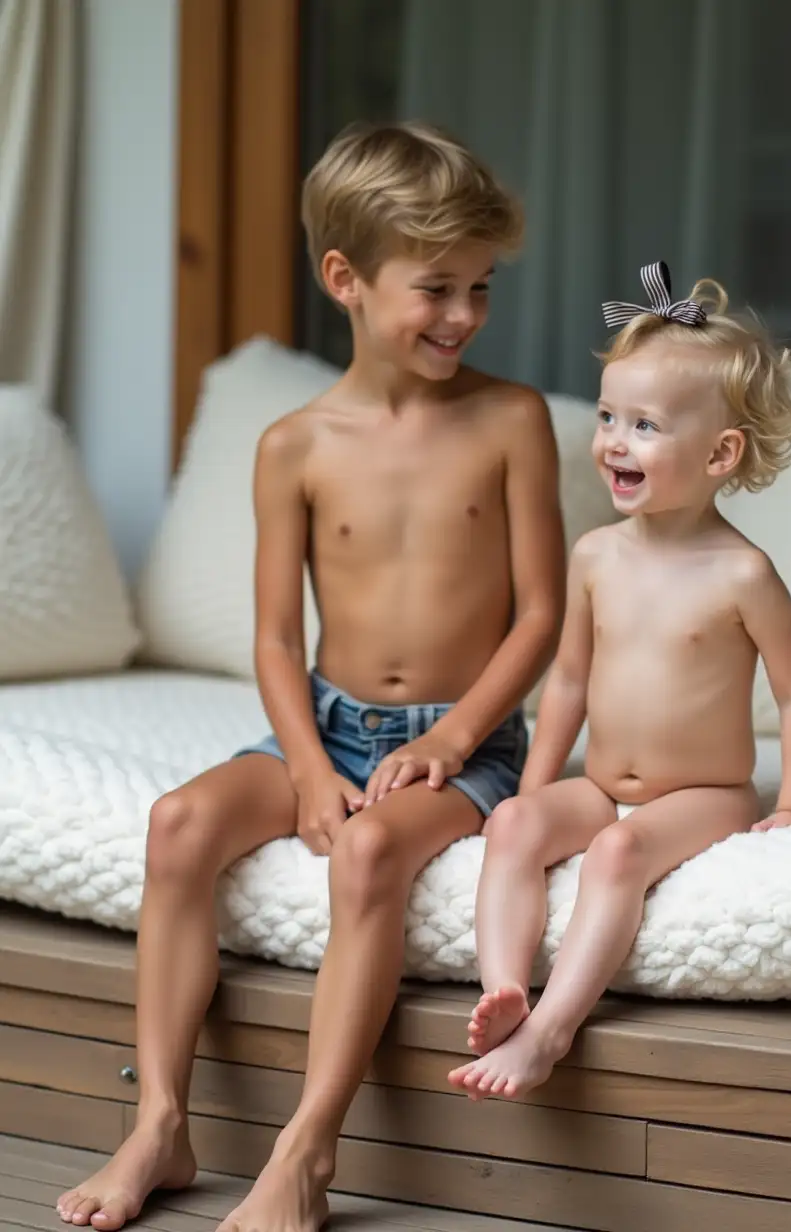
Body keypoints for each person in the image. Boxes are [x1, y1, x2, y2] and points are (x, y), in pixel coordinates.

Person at [57, 120, 565, 1232]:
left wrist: (452, 738)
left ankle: (308, 1147)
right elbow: (279, 639)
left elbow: (542, 615)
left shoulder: (511, 420)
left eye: (479, 286)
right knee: (178, 824)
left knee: (373, 849)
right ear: (345, 277)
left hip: (465, 735)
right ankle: (162, 1123)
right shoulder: (293, 443)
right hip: (326, 724)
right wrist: (301, 763)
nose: (465, 315)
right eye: (436, 287)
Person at [449, 262, 791, 1103]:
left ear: (721, 453)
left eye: (645, 425)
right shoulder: (594, 557)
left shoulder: (743, 574)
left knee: (617, 851)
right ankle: (503, 991)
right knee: (511, 823)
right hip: (601, 782)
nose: (614, 440)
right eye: (609, 416)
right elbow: (570, 684)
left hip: (706, 792)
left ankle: (549, 1032)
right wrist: (540, 787)